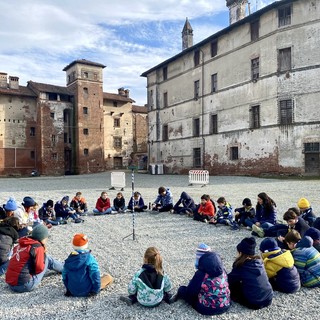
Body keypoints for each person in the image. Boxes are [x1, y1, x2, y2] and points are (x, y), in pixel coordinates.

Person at [174, 244, 230, 316]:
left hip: (206, 309)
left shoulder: (201, 274)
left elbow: (190, 292)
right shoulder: (222, 270)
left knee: (182, 289)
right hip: (225, 305)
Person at [5, 224, 64, 292]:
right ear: (43, 238)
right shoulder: (37, 247)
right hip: (24, 285)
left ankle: (62, 266)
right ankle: (65, 268)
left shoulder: (21, 244)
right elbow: (40, 268)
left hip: (10, 284)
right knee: (47, 259)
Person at [228, 237, 273, 309]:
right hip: (269, 298)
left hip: (255, 303)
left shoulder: (241, 266)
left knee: (233, 287)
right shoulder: (259, 262)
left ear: (240, 253)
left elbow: (229, 280)